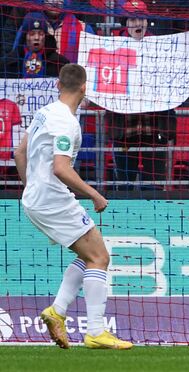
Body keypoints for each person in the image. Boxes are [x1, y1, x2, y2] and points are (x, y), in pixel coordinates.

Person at [14, 64, 133, 350]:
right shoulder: (67, 122)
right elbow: (61, 169)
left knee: (90, 254)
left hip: (35, 197)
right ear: (84, 88)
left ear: (57, 85)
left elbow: (19, 152)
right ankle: (95, 332)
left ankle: (57, 311)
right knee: (100, 257)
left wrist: (32, 187)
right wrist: (95, 195)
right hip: (51, 197)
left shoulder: (44, 112)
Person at [106, 0, 176, 191]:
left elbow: (176, 76)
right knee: (124, 185)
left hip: (155, 129)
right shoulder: (110, 47)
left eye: (142, 19)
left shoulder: (161, 46)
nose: (138, 24)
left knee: (154, 186)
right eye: (133, 19)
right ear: (125, 22)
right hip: (123, 129)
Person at [0, 12, 69, 78]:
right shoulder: (8, 62)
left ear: (45, 36)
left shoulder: (60, 63)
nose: (36, 38)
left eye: (41, 34)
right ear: (25, 36)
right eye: (32, 34)